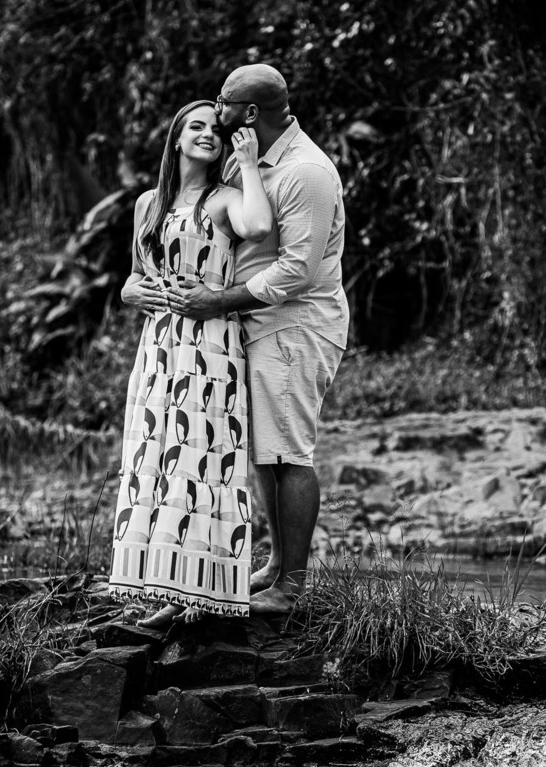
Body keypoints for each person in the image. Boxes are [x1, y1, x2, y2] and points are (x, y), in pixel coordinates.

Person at [164, 65, 349, 615]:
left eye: (222, 102)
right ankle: (273, 566)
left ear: (248, 114)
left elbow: (297, 272)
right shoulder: (251, 163)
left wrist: (218, 301)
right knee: (265, 452)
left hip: (296, 325)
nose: (214, 112)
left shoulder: (306, 172)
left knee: (290, 451)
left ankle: (292, 587)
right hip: (256, 325)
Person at [108, 99, 272, 627]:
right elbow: (133, 278)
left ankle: (203, 594)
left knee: (204, 459)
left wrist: (248, 164)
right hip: (159, 345)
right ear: (176, 139)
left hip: (210, 343)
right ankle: (167, 588)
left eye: (214, 130)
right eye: (195, 127)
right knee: (157, 458)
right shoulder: (147, 204)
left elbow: (261, 227)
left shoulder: (225, 200)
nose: (207, 134)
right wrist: (141, 294)